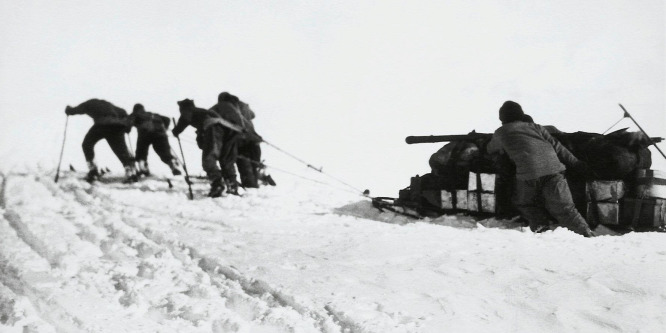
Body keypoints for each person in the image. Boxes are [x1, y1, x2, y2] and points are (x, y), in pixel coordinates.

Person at [486, 101, 595, 237]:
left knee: (525, 203)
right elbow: (558, 147)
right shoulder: (536, 127)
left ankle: (541, 227)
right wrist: (576, 163)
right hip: (555, 171)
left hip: (528, 175)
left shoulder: (501, 132)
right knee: (566, 209)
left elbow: (491, 149)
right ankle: (587, 234)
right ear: (521, 114)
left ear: (502, 118)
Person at [172, 98, 241, 197]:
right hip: (230, 129)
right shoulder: (203, 111)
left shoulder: (188, 111)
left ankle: (217, 184)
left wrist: (176, 131)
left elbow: (183, 121)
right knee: (226, 159)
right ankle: (232, 185)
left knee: (209, 158)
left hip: (213, 128)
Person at [65, 99, 137, 183]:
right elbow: (123, 112)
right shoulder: (109, 104)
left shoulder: (90, 103)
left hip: (102, 125)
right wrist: (127, 127)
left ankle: (93, 171)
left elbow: (75, 110)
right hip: (117, 126)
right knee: (120, 150)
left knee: (87, 144)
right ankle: (131, 173)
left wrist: (69, 110)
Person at [210, 92, 266, 188]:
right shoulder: (243, 106)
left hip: (236, 139)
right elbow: (253, 115)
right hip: (252, 138)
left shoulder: (222, 106)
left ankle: (237, 184)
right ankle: (252, 184)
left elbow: (210, 114)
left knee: (239, 161)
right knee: (252, 163)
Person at [127, 103, 182, 177]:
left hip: (144, 134)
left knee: (141, 152)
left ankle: (143, 168)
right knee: (164, 152)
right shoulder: (153, 114)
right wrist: (164, 128)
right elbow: (167, 119)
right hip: (160, 134)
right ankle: (173, 165)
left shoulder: (135, 114)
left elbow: (129, 122)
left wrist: (127, 129)